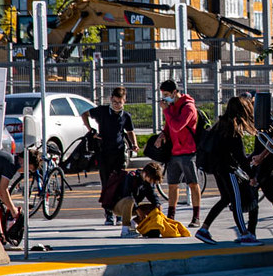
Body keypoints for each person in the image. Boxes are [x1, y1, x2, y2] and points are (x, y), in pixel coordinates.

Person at [194, 96, 263, 246]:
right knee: (236, 201)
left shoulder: (221, 125)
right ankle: (244, 234)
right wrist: (251, 175)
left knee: (226, 198)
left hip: (217, 169)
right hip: (228, 170)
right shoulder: (233, 129)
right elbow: (240, 157)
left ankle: (204, 229)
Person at [82, 86, 139, 226]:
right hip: (104, 152)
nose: (117, 105)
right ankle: (108, 214)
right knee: (106, 183)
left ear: (124, 101)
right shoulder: (102, 111)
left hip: (119, 152)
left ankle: (119, 213)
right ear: (111, 100)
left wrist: (134, 144)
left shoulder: (125, 116)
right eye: (114, 102)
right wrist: (91, 131)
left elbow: (130, 131)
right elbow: (84, 114)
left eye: (120, 102)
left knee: (119, 182)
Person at [153, 80, 201, 227]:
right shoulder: (172, 106)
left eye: (167, 95)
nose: (165, 98)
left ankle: (196, 217)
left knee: (193, 184)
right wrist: (162, 135)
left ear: (175, 92)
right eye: (163, 95)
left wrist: (166, 111)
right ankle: (171, 216)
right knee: (172, 185)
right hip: (174, 151)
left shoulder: (188, 107)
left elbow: (177, 126)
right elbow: (169, 127)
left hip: (188, 151)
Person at [110, 162, 162, 238]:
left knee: (154, 208)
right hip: (119, 206)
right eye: (151, 180)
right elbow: (127, 194)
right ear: (144, 174)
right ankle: (125, 230)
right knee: (129, 199)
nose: (151, 182)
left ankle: (133, 224)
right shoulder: (132, 177)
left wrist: (158, 204)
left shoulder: (148, 183)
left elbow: (152, 195)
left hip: (132, 207)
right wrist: (138, 210)